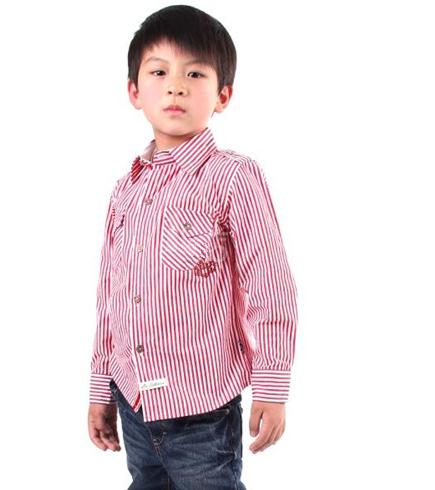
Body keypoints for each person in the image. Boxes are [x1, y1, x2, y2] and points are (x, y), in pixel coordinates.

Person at [87, 5, 298, 489]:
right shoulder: (125, 190)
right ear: (134, 91)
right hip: (134, 404)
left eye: (195, 73)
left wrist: (272, 383)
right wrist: (101, 388)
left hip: (202, 413)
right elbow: (109, 299)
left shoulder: (232, 177)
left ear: (223, 95)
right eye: (159, 72)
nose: (176, 87)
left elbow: (269, 283)